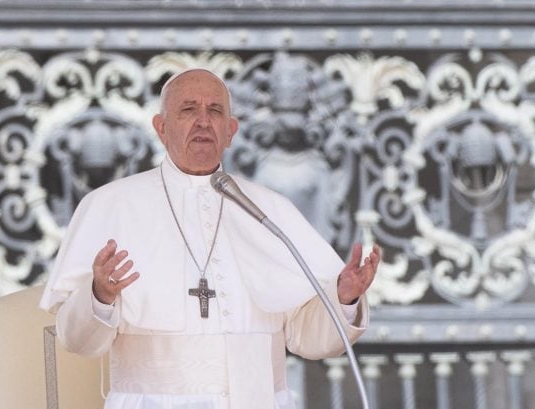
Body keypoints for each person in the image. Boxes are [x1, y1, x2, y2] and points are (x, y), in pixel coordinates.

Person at [39, 68, 380, 409]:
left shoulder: (270, 210)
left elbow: (308, 337)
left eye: (215, 111)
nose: (203, 121)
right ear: (161, 127)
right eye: (188, 110)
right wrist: (99, 296)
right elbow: (77, 341)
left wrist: (343, 299)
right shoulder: (110, 205)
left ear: (230, 131)